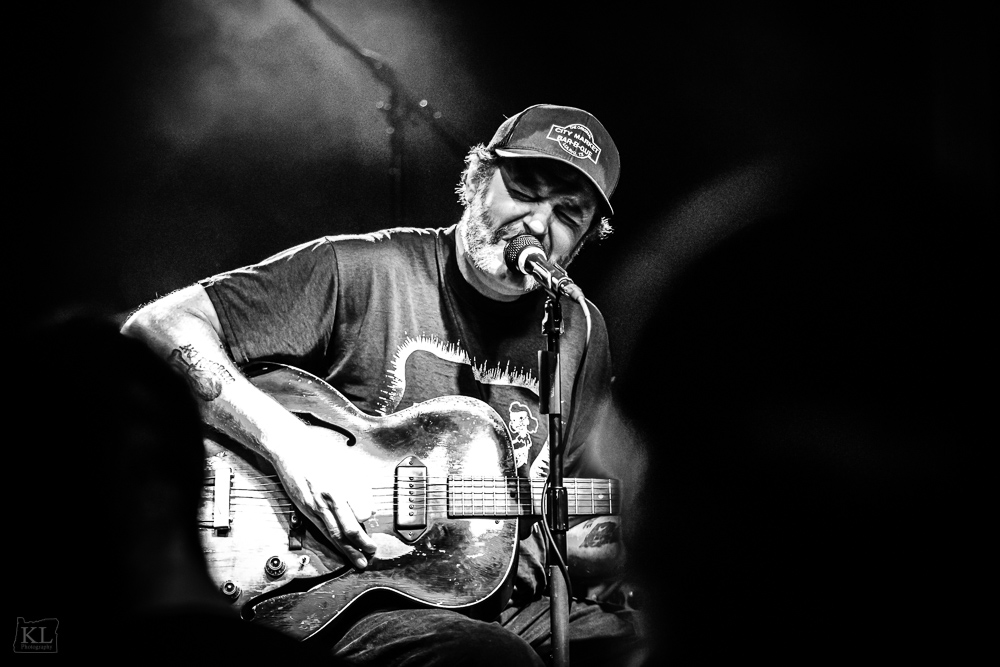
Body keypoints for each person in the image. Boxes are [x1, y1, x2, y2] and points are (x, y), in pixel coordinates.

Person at [122, 104, 640, 665]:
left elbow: (585, 518)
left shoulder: (580, 332)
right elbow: (156, 328)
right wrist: (289, 444)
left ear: (586, 237)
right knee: (487, 658)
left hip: (504, 598)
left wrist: (629, 529)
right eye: (527, 190)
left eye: (568, 213)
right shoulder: (361, 271)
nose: (539, 224)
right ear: (478, 178)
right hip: (349, 591)